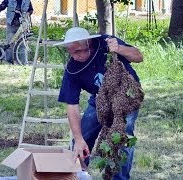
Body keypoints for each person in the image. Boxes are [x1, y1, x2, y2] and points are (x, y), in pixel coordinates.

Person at [54, 27, 143, 180]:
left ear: (88, 43)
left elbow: (139, 56)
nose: (75, 56)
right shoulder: (72, 69)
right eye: (71, 52)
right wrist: (79, 138)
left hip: (127, 96)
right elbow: (71, 105)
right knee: (81, 137)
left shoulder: (105, 43)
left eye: (78, 51)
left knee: (122, 137)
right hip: (100, 100)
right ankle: (77, 175)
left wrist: (119, 48)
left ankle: (119, 178)